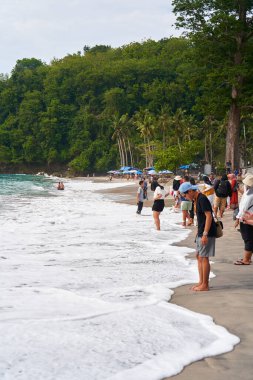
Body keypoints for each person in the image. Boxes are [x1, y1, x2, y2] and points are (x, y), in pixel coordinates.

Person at [179, 182, 217, 291]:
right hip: (201, 231)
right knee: (199, 256)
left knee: (204, 257)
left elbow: (209, 216)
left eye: (185, 195)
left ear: (190, 191)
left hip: (207, 232)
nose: (185, 197)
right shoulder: (197, 199)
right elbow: (201, 219)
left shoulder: (202, 199)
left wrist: (205, 234)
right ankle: (201, 282)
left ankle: (205, 284)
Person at [234, 174, 253, 265]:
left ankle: (246, 260)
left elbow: (243, 208)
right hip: (249, 217)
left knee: (248, 239)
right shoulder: (248, 192)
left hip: (246, 218)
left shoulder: (249, 194)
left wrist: (238, 218)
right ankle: (247, 258)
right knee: (249, 238)